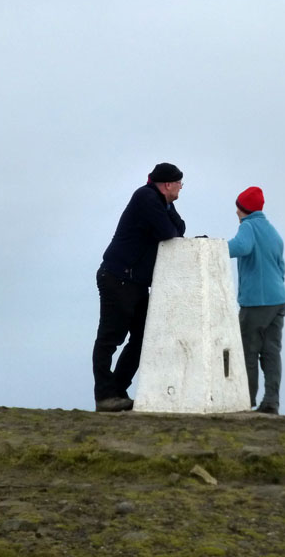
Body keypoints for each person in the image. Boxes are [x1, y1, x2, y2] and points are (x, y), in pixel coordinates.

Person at [91, 163, 186, 412]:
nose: (181, 188)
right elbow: (168, 231)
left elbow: (180, 228)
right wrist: (169, 221)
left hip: (135, 281)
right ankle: (104, 395)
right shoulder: (145, 197)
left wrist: (169, 211)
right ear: (167, 184)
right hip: (118, 277)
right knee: (110, 338)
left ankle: (117, 389)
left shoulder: (162, 201)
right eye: (179, 183)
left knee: (143, 336)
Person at [227, 186, 285, 415]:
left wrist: (215, 248)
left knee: (248, 350)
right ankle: (271, 401)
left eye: (238, 208)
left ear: (244, 209)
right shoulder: (273, 231)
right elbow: (281, 267)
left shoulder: (248, 226)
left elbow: (241, 247)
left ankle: (246, 399)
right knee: (271, 352)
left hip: (256, 302)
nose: (236, 212)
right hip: (278, 300)